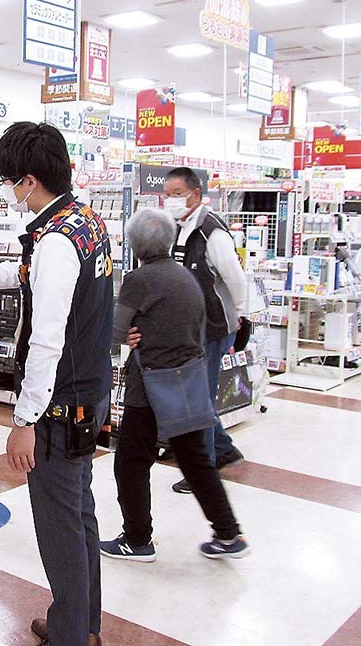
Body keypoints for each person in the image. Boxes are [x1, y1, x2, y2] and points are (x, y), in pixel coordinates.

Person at [0, 122, 113, 646]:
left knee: (60, 525)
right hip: (89, 395)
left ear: (30, 181)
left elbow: (46, 342)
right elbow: (27, 277)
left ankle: (70, 636)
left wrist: (23, 421)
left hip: (59, 410)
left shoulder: (55, 241)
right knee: (80, 516)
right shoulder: (82, 223)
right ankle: (80, 623)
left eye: (10, 180)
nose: (9, 191)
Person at [100, 208, 249, 562]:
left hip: (151, 386)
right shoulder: (186, 278)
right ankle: (228, 533)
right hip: (189, 381)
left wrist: (131, 334)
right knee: (196, 461)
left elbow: (114, 334)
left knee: (131, 463)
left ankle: (137, 539)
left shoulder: (140, 280)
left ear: (135, 244)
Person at [161, 167, 248, 495]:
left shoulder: (213, 233)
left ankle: (203, 466)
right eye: (167, 194)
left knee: (198, 398)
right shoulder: (181, 228)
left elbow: (235, 278)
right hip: (191, 328)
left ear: (195, 194)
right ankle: (223, 449)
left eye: (176, 194)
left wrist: (240, 315)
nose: (171, 200)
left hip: (212, 328)